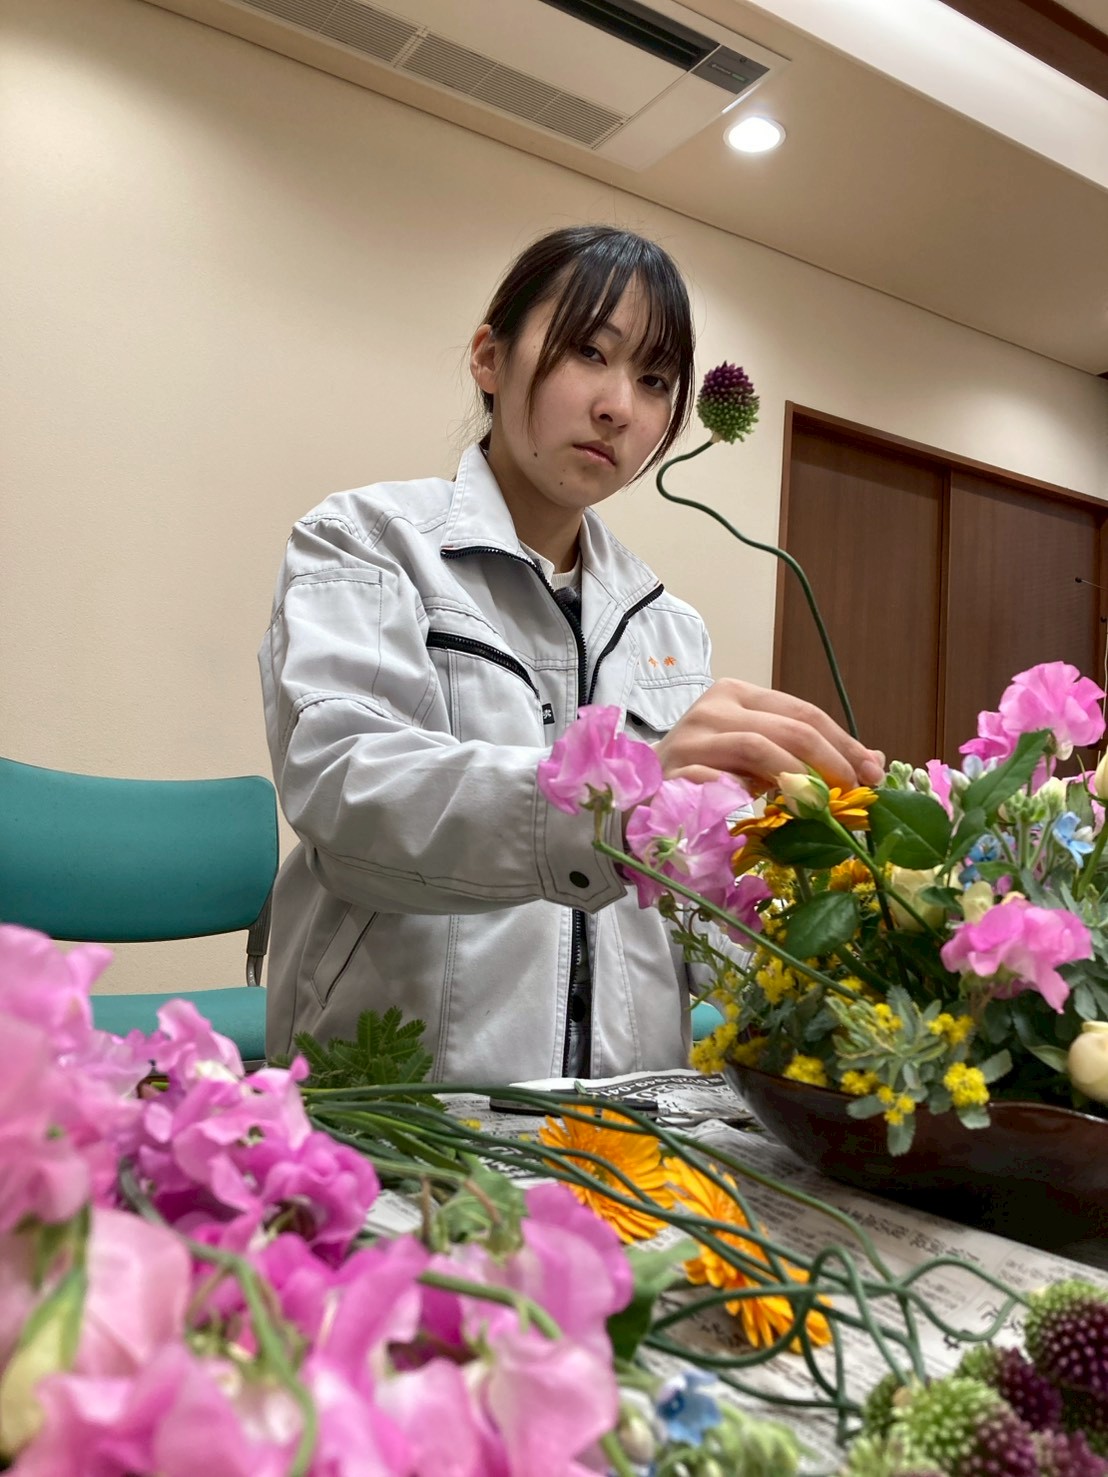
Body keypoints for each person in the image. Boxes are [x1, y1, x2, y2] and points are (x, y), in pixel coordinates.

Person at [259, 224, 883, 1081]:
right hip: (411, 1104)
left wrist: (830, 887)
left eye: (654, 379)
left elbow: (686, 906)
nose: (619, 406)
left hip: (624, 1111)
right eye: (589, 351)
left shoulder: (668, 626)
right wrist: (616, 804)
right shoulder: (365, 542)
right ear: (489, 358)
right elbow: (346, 789)